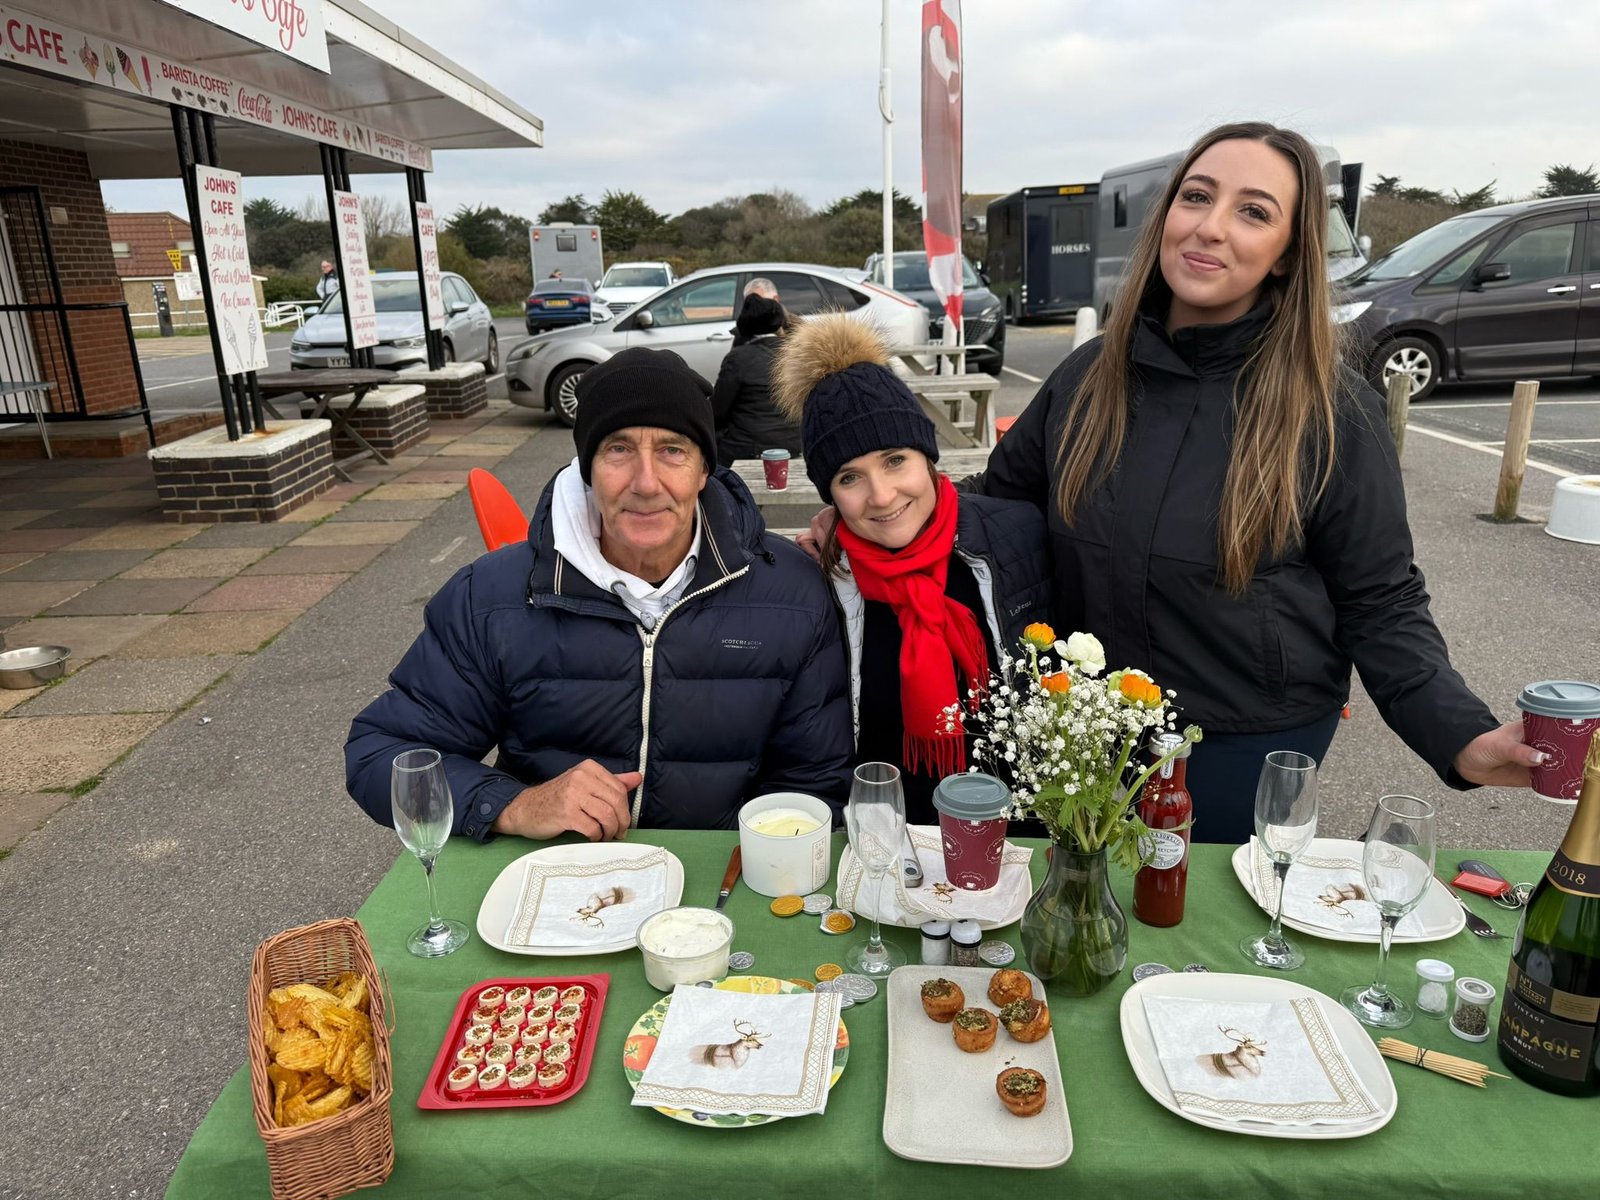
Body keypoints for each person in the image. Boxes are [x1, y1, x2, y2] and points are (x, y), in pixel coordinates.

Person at [953, 120, 1543, 842]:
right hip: (1084, 731)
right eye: (1196, 197)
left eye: (1253, 211)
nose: (1211, 228)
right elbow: (996, 504)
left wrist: (1463, 737)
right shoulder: (1087, 377)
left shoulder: (1331, 408)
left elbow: (1382, 602)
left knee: (1201, 943)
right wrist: (879, 515)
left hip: (1242, 744)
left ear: (1289, 255)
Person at [345, 347, 853, 840]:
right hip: (552, 877)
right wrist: (513, 805)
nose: (646, 482)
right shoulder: (492, 596)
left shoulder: (791, 592)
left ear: (704, 471)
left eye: (673, 450)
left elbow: (813, 783)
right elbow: (383, 753)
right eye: (619, 449)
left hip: (723, 885)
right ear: (589, 467)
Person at [774, 313, 1051, 825]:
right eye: (850, 477)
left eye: (895, 460)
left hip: (1016, 836)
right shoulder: (821, 579)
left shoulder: (1017, 539)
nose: (881, 496)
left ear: (928, 457)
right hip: (879, 840)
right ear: (829, 495)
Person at [710, 278, 804, 468]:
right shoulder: (798, 352)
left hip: (747, 447)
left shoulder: (738, 357)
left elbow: (718, 412)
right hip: (794, 444)